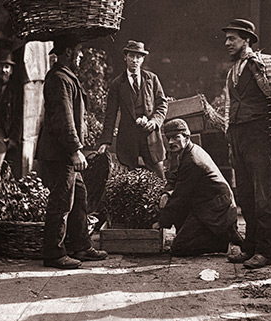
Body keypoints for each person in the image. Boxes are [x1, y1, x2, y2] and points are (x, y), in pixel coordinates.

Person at [36, 34, 107, 269]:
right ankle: (54, 254)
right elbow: (63, 119)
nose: (82, 54)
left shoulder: (66, 77)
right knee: (61, 202)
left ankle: (81, 246)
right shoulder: (58, 79)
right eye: (79, 50)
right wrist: (75, 149)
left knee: (80, 198)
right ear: (68, 52)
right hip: (60, 154)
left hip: (64, 152)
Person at [222, 19, 271, 269]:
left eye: (232, 38)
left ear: (246, 40)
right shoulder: (233, 69)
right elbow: (230, 102)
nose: (227, 43)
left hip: (257, 134)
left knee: (262, 195)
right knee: (245, 194)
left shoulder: (257, 64)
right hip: (238, 135)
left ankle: (265, 251)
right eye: (227, 38)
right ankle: (250, 247)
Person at [154, 118, 242, 256]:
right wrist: (166, 193)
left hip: (216, 209)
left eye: (176, 137)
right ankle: (213, 234)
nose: (171, 142)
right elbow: (175, 177)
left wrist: (161, 222)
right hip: (206, 202)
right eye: (168, 138)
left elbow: (180, 197)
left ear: (187, 137)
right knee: (179, 217)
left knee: (179, 248)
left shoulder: (192, 161)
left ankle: (223, 241)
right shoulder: (187, 151)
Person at [99, 40, 168, 179]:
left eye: (138, 57)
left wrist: (154, 122)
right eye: (131, 56)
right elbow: (110, 114)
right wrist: (106, 141)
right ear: (125, 57)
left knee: (160, 179)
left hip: (151, 139)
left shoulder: (152, 79)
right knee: (130, 182)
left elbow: (162, 104)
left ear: (143, 59)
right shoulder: (117, 84)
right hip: (128, 140)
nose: (134, 60)